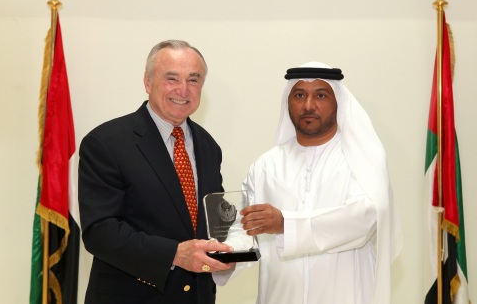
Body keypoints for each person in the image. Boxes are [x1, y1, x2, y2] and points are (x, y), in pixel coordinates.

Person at [213, 62, 403, 304]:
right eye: (299, 95)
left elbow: (365, 218)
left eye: (320, 95)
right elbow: (246, 230)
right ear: (288, 102)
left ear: (338, 103)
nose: (308, 105)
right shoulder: (266, 166)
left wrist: (286, 224)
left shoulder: (362, 158)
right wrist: (226, 257)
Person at [78, 40, 234, 304]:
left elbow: (210, 221)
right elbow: (100, 232)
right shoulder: (106, 142)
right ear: (148, 82)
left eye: (193, 80)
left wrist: (232, 248)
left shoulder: (208, 146)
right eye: (171, 78)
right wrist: (174, 253)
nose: (183, 90)